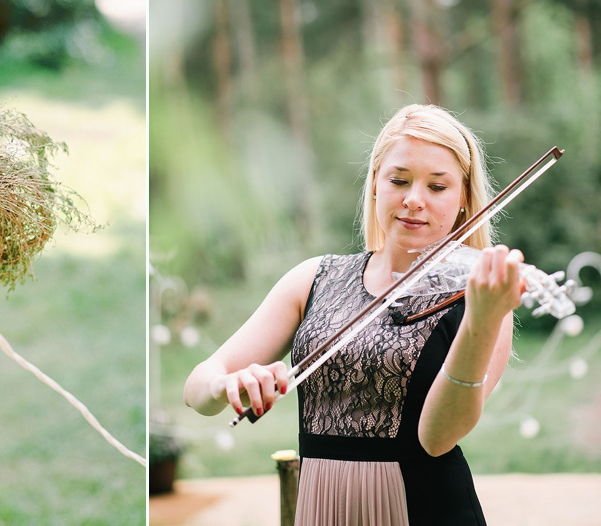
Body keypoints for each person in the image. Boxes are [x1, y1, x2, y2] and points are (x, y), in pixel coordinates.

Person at [183, 104, 522, 525]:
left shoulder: (482, 298)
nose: (414, 200)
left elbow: (437, 438)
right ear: (376, 185)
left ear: (462, 200)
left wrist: (482, 318)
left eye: (437, 187)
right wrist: (225, 383)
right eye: (399, 180)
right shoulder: (314, 279)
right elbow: (197, 389)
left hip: (425, 510)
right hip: (322, 508)